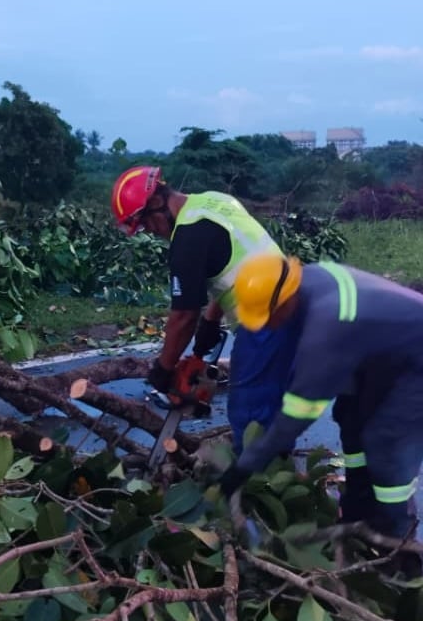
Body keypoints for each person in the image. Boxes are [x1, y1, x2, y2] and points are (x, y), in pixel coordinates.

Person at [217, 253, 423, 549]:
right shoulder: (309, 279)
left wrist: (245, 465)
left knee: (386, 437)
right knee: (350, 416)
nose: (268, 325)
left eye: (268, 316)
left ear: (284, 299)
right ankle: (357, 516)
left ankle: (398, 542)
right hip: (390, 355)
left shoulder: (329, 322)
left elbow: (298, 414)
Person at [111, 166, 297, 453]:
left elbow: (184, 315)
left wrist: (163, 369)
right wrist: (208, 328)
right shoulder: (213, 202)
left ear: (158, 203)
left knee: (250, 419)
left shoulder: (187, 239)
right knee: (269, 410)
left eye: (147, 224)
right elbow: (234, 262)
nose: (151, 232)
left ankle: (262, 485)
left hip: (267, 324)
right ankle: (275, 472)